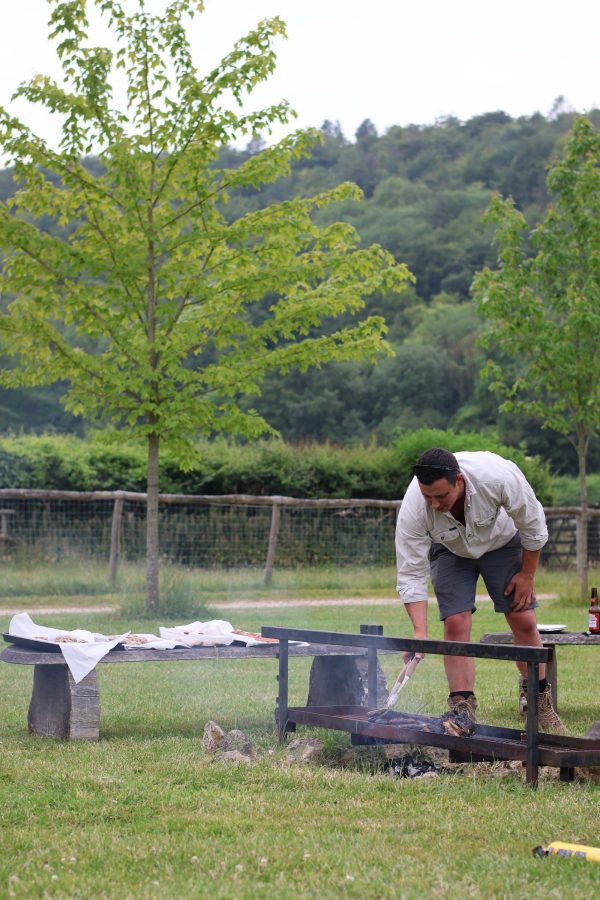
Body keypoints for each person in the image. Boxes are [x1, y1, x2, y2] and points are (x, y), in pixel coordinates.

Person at [395, 447, 565, 733]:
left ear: (458, 481)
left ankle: (538, 701)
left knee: (522, 617)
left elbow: (533, 525)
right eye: (428, 497)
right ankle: (461, 709)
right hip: (449, 548)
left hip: (501, 541)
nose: (434, 504)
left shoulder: (497, 476)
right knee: (455, 621)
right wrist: (419, 634)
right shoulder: (414, 505)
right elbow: (411, 570)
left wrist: (527, 574)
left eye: (441, 496)